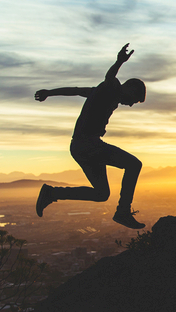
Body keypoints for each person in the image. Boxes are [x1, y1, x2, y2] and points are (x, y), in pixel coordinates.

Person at [34, 43, 147, 229]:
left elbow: (77, 90)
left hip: (80, 148)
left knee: (102, 194)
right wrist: (119, 62)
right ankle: (122, 212)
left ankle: (52, 193)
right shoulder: (112, 88)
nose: (132, 104)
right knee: (134, 164)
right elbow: (110, 77)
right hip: (89, 145)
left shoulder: (102, 93)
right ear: (130, 89)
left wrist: (50, 93)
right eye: (134, 100)